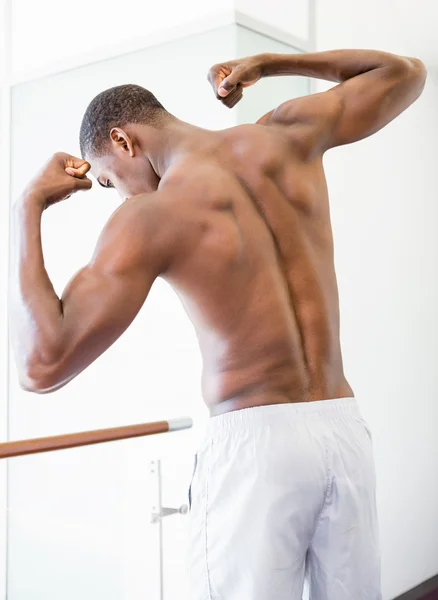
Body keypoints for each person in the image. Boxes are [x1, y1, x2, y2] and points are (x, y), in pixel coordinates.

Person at [10, 49, 426, 599]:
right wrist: (270, 65)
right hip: (343, 431)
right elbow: (405, 74)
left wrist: (25, 208)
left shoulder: (149, 217)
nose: (123, 194)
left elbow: (42, 364)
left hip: (257, 449)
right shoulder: (283, 136)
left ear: (123, 141)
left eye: (110, 181)